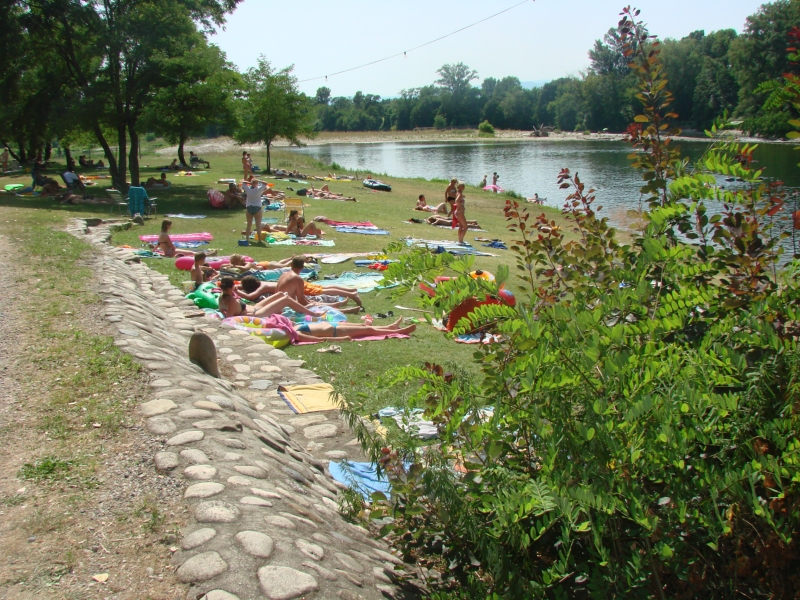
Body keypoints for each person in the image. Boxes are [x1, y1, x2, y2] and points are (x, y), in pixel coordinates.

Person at [217, 276, 318, 319]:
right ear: (230, 287)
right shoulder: (231, 300)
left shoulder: (221, 297)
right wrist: (246, 315)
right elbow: (230, 318)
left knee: (282, 294)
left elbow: (222, 310)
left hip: (255, 308)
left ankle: (302, 308)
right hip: (256, 314)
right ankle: (312, 313)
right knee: (285, 299)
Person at [237, 274, 363, 308]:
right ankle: (350, 290)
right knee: (324, 288)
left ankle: (350, 294)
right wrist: (239, 287)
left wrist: (237, 292)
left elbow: (250, 297)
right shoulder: (262, 283)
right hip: (298, 283)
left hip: (296, 286)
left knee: (324, 290)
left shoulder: (262, 288)